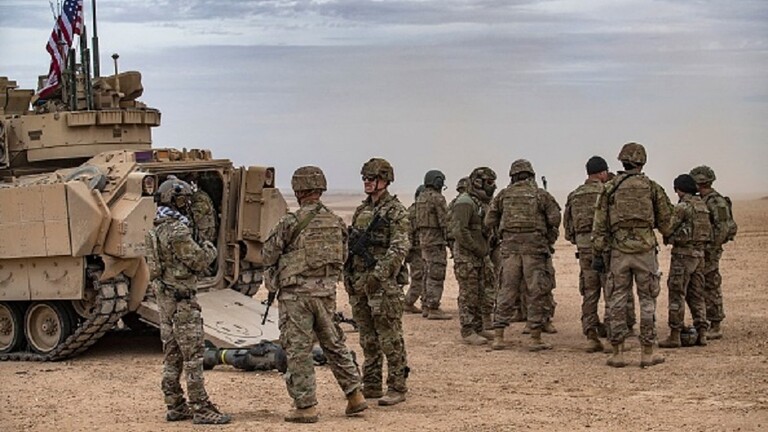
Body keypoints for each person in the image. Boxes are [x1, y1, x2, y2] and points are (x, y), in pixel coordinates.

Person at [262, 166, 367, 423]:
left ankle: (305, 407)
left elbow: (268, 253)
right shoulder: (336, 221)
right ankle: (355, 396)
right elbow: (343, 256)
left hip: (296, 296)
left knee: (298, 349)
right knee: (334, 343)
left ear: (298, 190)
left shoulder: (291, 222)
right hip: (325, 293)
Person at [147, 177, 230, 424]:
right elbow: (199, 261)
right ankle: (200, 408)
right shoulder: (178, 231)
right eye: (183, 200)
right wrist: (209, 248)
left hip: (166, 300)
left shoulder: (155, 230)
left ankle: (175, 404)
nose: (186, 205)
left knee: (172, 355)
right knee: (193, 356)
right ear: (175, 201)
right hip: (182, 301)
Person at [592, 142, 673, 368]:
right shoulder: (652, 187)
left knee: (617, 299)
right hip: (645, 251)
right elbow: (666, 222)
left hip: (619, 252)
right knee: (647, 300)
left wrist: (599, 250)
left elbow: (599, 223)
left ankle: (617, 353)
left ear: (622, 161)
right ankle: (647, 352)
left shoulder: (610, 188)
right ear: (642, 162)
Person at [344, 158, 411, 406]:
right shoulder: (362, 211)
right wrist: (349, 275)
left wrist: (378, 275)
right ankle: (371, 383)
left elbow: (399, 248)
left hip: (383, 285)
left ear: (385, 180)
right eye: (365, 178)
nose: (367, 182)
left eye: (372, 178)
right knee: (367, 338)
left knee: (389, 337)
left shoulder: (396, 212)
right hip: (360, 281)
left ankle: (397, 385)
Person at [485, 159, 561, 351]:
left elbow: (489, 220)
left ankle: (499, 336)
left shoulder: (503, 195)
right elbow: (554, 219)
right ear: (531, 175)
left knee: (506, 290)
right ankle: (535, 338)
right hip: (534, 250)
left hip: (510, 250)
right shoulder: (540, 194)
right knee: (536, 291)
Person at [564, 156, 611, 352]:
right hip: (606, 248)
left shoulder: (575, 195)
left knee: (590, 292)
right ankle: (612, 336)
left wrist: (581, 241)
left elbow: (568, 229)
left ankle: (591, 335)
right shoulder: (607, 192)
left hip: (585, 249)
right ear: (602, 173)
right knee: (611, 291)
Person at [658, 174, 711, 349]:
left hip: (683, 256)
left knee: (677, 293)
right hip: (699, 255)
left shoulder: (683, 207)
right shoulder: (702, 205)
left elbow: (668, 228)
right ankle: (702, 333)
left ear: (679, 189)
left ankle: (675, 335)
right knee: (697, 294)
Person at [689, 165, 737, 340]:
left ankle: (715, 324)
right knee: (700, 285)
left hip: (710, 251)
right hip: (702, 249)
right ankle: (705, 322)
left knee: (711, 284)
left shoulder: (716, 201)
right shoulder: (702, 199)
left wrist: (710, 247)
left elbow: (722, 228)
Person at [451, 167, 497, 346]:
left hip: (479, 256)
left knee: (480, 292)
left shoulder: (480, 203)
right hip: (467, 257)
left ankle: (478, 327)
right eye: (489, 183)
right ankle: (468, 330)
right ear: (478, 183)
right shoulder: (465, 202)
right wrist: (476, 248)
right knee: (468, 294)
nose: (492, 187)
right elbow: (459, 231)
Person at [415, 170, 451, 320]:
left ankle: (425, 305)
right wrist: (450, 238)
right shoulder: (438, 198)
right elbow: (444, 221)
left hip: (424, 240)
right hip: (436, 241)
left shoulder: (421, 198)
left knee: (426, 272)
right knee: (436, 274)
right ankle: (433, 307)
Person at [404, 185, 426, 314]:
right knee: (419, 277)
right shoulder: (414, 212)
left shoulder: (416, 210)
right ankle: (408, 302)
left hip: (420, 248)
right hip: (416, 250)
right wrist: (409, 250)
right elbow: (408, 233)